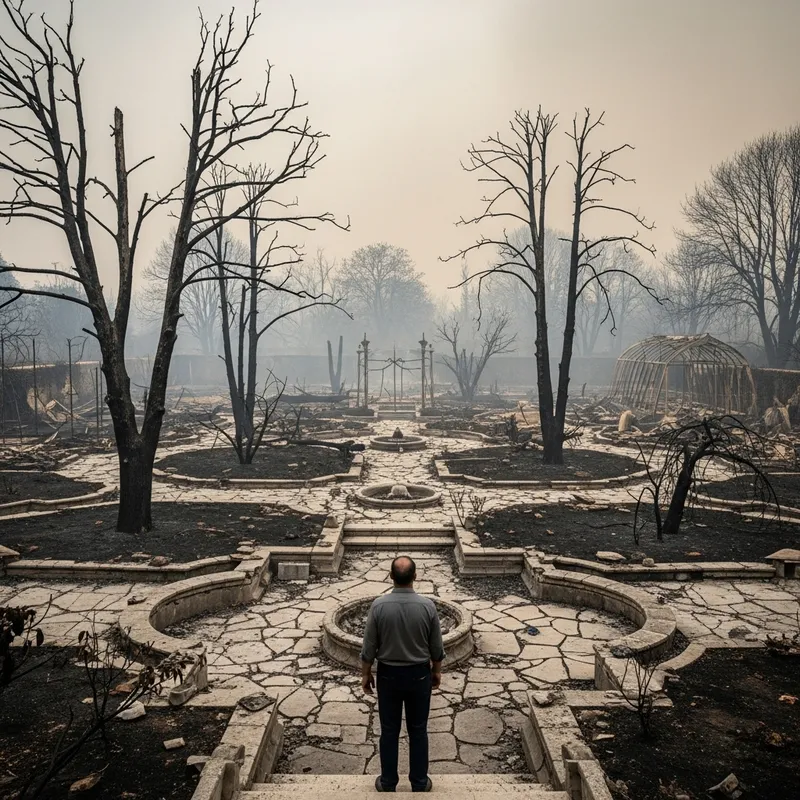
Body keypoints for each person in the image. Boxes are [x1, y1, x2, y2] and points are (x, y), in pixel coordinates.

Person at [360, 555, 444, 793]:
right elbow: (436, 648)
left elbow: (368, 649)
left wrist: (366, 675)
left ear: (391, 577)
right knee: (418, 729)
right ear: (415, 577)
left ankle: (388, 783)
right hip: (418, 675)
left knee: (389, 730)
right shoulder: (428, 606)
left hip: (388, 676)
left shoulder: (379, 606)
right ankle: (419, 782)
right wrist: (436, 672)